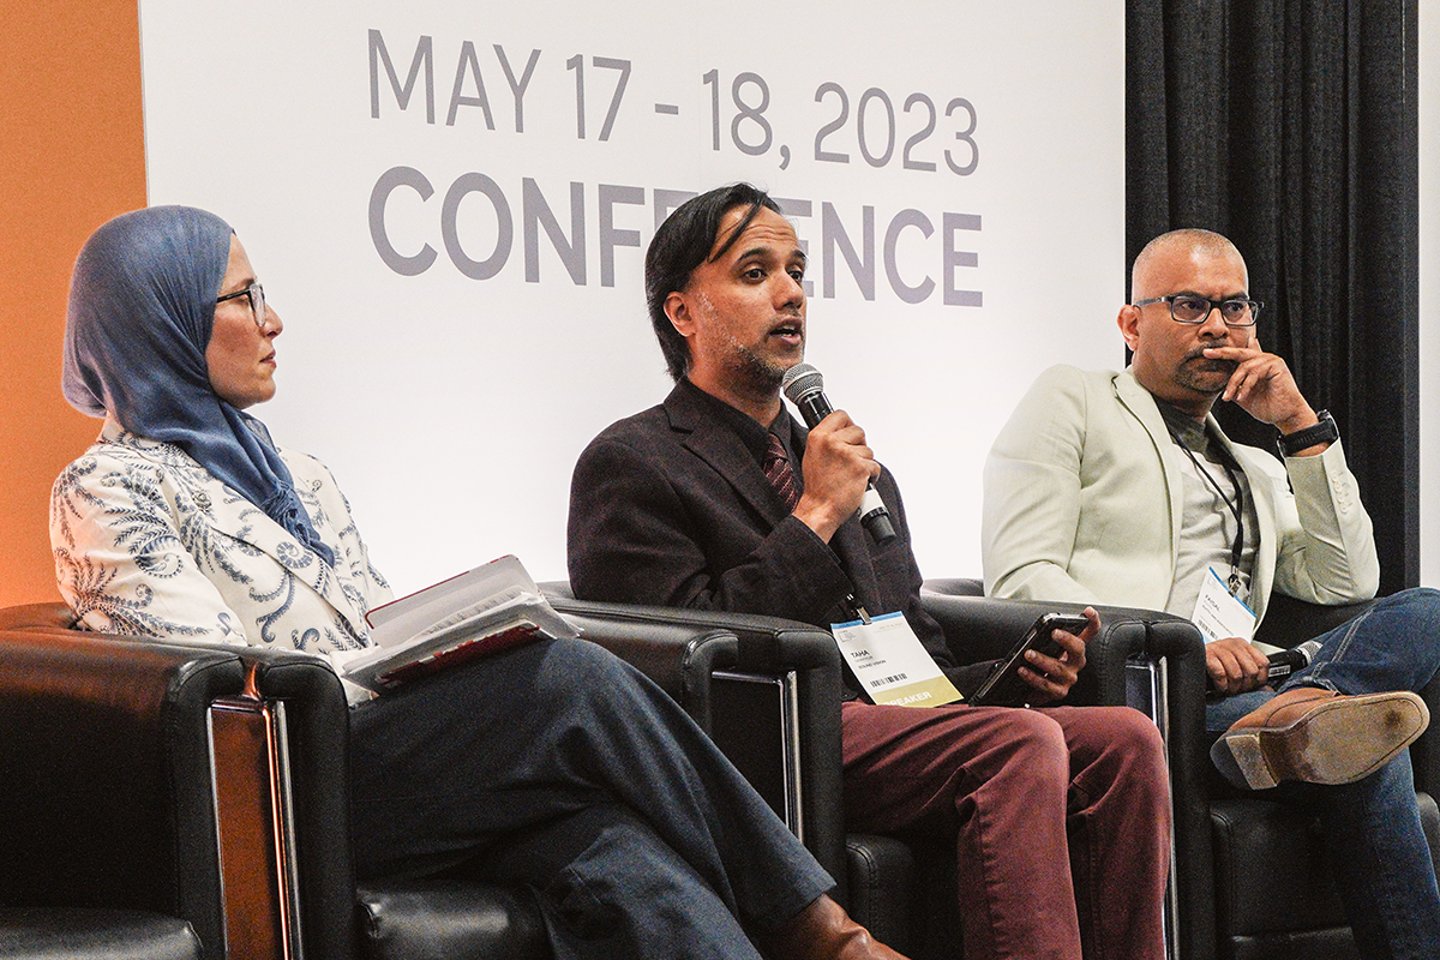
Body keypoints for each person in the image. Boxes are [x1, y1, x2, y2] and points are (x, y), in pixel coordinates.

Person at [49, 204, 911, 960]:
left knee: (615, 852)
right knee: (568, 682)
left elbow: (370, 622)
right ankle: (823, 933)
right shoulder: (107, 489)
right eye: (242, 299)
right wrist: (441, 687)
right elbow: (212, 686)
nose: (273, 321)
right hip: (296, 782)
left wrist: (449, 646)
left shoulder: (297, 473)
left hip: (405, 757)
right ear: (155, 322)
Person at [567, 183, 1171, 960]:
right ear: (682, 313)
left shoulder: (845, 461)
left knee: (1124, 740)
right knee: (1017, 749)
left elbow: (910, 645)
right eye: (754, 274)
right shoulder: (633, 461)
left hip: (890, 727)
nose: (790, 294)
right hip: (764, 739)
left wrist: (1016, 676)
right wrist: (814, 515)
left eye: (796, 270)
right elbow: (677, 660)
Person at [981, 227, 1440, 956]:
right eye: (1190, 306)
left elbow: (1346, 579)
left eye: (1235, 309)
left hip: (1251, 690)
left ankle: (1303, 704)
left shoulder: (1254, 465)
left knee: (1427, 616)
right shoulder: (1073, 400)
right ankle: (1308, 714)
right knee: (1369, 744)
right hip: (1134, 692)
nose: (1219, 327)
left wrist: (1299, 428)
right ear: (1132, 323)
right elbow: (1021, 578)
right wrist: (1187, 647)